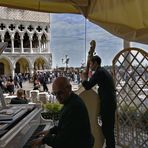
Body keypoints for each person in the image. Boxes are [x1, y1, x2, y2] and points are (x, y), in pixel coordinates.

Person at [31, 76, 94, 148]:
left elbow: (62, 142)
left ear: (69, 88)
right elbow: (66, 128)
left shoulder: (73, 107)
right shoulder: (71, 101)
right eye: (55, 94)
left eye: (60, 92)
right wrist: (51, 131)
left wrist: (44, 140)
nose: (57, 97)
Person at [81, 55, 117, 148]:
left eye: (91, 64)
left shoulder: (99, 72)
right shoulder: (103, 71)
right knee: (108, 128)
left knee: (107, 129)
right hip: (110, 103)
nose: (90, 66)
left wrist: (84, 78)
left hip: (107, 104)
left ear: (96, 63)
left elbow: (88, 86)